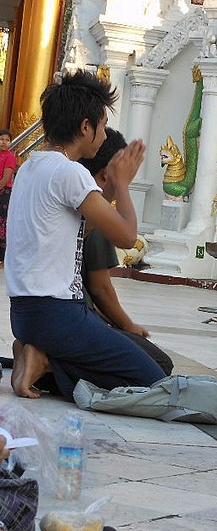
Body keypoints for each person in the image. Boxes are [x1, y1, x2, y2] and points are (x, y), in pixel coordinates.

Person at [6, 69, 166, 401]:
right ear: (85, 126)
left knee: (144, 362)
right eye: (103, 126)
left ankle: (35, 353)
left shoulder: (29, 167)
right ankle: (46, 361)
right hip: (58, 314)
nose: (105, 136)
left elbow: (75, 231)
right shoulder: (71, 171)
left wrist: (107, 188)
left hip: (24, 314)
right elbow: (126, 237)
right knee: (152, 376)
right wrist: (122, 183)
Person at [77, 127, 173, 376]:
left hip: (47, 312)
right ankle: (49, 367)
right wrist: (127, 325)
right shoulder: (95, 211)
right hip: (74, 318)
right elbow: (100, 286)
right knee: (159, 367)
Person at [0, 128, 16, 262]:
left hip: (4, 192)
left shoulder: (10, 156)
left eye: (7, 140)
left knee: (2, 223)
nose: (4, 142)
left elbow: (6, 178)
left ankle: (1, 257)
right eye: (1, 139)